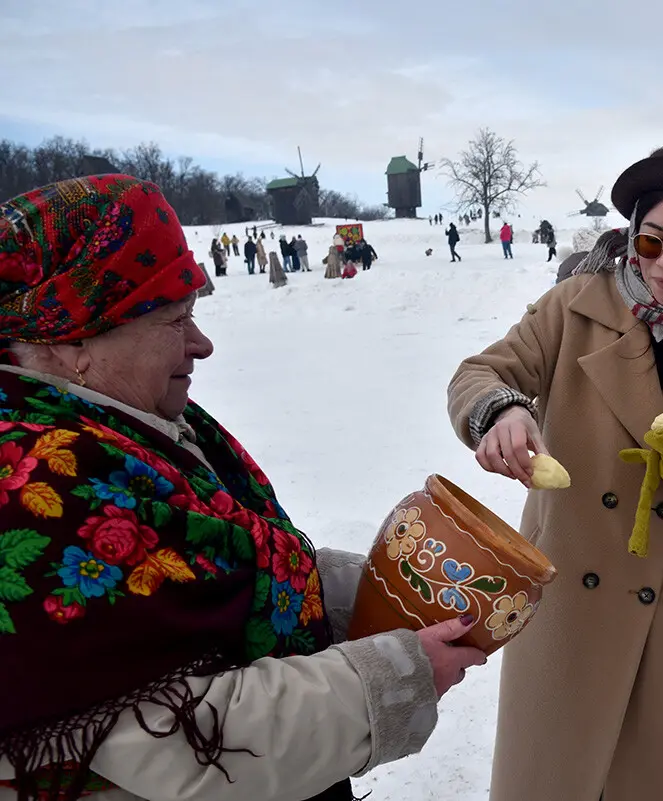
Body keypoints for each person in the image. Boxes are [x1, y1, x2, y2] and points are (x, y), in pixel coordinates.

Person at [0, 175, 486, 801]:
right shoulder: (37, 487)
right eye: (175, 319)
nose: (202, 344)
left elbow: (217, 574)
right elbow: (168, 741)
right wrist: (394, 679)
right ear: (72, 341)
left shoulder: (132, 427)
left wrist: (372, 590)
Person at [448, 143, 663, 801]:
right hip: (563, 593)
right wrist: (501, 410)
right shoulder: (574, 306)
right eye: (652, 240)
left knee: (646, 778)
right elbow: (480, 373)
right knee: (547, 777)